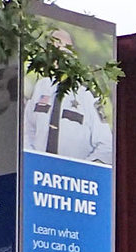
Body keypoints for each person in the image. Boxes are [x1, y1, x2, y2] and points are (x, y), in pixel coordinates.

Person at [22, 30, 114, 164]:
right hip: (38, 173)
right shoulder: (41, 87)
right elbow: (27, 128)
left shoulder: (87, 95)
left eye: (64, 50)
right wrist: (31, 160)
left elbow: (106, 145)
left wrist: (83, 170)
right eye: (54, 50)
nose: (59, 57)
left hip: (74, 177)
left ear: (74, 55)